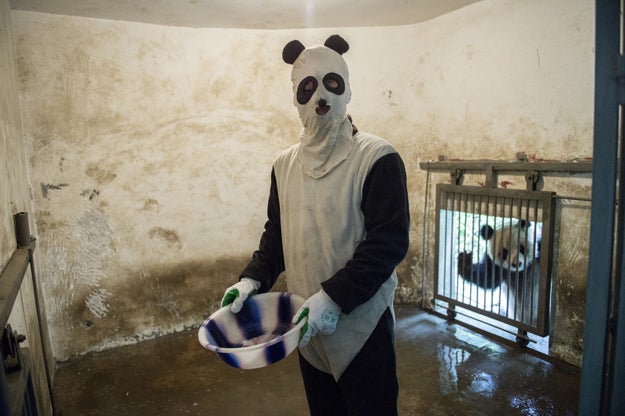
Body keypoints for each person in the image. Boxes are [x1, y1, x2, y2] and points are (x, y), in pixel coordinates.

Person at [221, 34, 410, 416]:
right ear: (296, 98)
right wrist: (251, 280)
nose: (321, 97)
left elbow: (387, 243)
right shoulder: (284, 165)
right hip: (306, 328)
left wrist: (334, 297)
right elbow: (277, 234)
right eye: (308, 88)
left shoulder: (377, 158)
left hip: (361, 327)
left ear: (347, 88)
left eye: (331, 83)